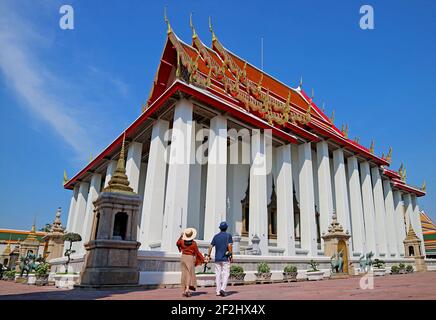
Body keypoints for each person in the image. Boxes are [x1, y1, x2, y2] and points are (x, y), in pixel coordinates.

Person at [206, 221, 233, 297]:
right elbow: (229, 246)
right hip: (225, 258)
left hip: (217, 258)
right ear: (226, 228)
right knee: (226, 274)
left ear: (220, 228)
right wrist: (231, 256)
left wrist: (208, 255)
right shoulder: (228, 236)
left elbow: (210, 246)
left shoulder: (216, 236)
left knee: (218, 274)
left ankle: (218, 291)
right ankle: (223, 289)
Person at [176, 227, 204, 297]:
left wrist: (181, 236)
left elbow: (177, 243)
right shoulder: (194, 243)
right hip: (190, 258)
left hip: (183, 257)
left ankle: (183, 290)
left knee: (184, 274)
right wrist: (203, 259)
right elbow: (197, 253)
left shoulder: (182, 241)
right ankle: (187, 289)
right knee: (189, 273)